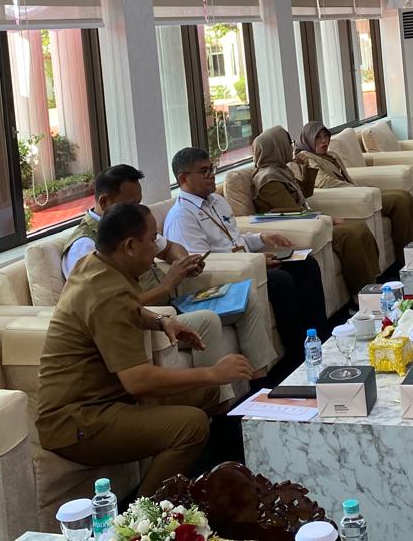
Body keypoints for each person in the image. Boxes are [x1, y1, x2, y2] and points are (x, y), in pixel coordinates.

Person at [37, 202, 254, 495]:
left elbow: (126, 309)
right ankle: (145, 512)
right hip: (78, 420)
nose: (156, 249)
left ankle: (210, 483)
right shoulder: (105, 292)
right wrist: (212, 372)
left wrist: (161, 321)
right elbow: (138, 381)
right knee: (191, 426)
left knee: (209, 393)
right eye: (152, 239)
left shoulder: (97, 265)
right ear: (129, 246)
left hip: (109, 400)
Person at [61, 164, 277, 391]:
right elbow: (112, 307)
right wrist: (165, 286)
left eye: (139, 203)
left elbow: (169, 247)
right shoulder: (84, 247)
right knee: (208, 320)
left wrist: (184, 263)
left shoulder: (132, 227)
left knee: (246, 296)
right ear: (104, 202)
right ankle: (218, 402)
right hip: (151, 313)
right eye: (130, 204)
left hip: (174, 300)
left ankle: (262, 388)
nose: (137, 210)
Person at [164, 146, 328, 376]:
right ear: (183, 179)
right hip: (222, 279)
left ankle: (321, 340)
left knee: (306, 264)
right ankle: (297, 358)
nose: (211, 175)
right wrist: (255, 260)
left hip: (247, 264)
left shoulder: (216, 201)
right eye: (203, 171)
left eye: (212, 168)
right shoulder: (182, 216)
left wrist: (262, 239)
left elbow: (235, 239)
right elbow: (202, 264)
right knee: (280, 281)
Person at [251, 125, 382, 297]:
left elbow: (305, 193)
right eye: (288, 143)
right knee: (351, 234)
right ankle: (361, 294)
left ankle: (373, 283)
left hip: (309, 221)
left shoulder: (280, 170)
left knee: (359, 228)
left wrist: (305, 166)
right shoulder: (268, 180)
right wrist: (326, 218)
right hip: (298, 227)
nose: (291, 147)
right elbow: (293, 212)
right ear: (277, 147)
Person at [295, 121, 413, 267]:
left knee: (403, 195)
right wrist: (356, 189)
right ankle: (410, 258)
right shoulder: (306, 157)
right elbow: (323, 182)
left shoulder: (331, 155)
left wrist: (358, 187)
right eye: (318, 138)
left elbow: (345, 177)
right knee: (399, 200)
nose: (324, 141)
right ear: (308, 139)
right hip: (348, 198)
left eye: (326, 136)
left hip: (357, 191)